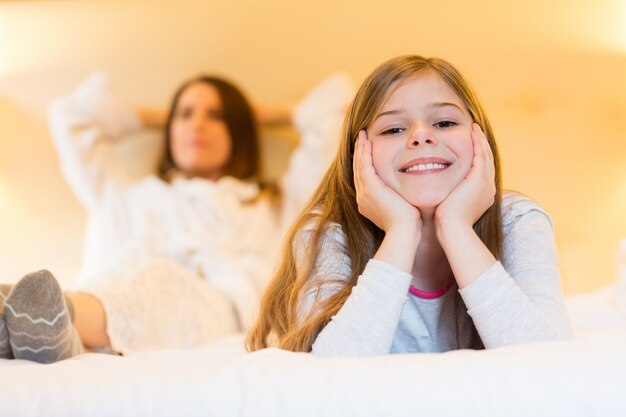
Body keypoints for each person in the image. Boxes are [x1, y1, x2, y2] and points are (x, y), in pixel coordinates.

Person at [0, 70, 353, 363]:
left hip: (212, 308)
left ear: (238, 128)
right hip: (104, 291)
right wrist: (163, 118)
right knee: (135, 282)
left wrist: (252, 114)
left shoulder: (274, 204)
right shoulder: (127, 196)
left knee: (162, 281)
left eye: (217, 116)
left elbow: (337, 108)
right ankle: (55, 332)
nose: (197, 125)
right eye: (184, 115)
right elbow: (72, 117)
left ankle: (40, 315)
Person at [246, 55, 573, 356]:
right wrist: (401, 231)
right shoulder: (326, 236)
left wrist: (456, 227)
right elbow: (331, 372)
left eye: (444, 123)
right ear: (357, 155)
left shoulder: (518, 221)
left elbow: (544, 358)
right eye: (393, 128)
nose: (421, 136)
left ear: (480, 140)